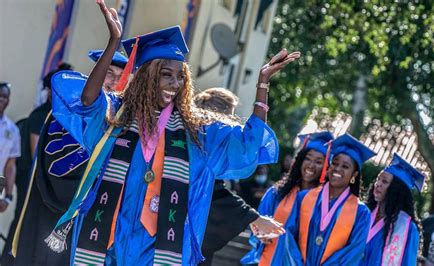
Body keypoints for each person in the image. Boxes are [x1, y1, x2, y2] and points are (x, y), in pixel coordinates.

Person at [35, 1, 300, 265]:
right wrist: (113, 44)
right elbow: (87, 101)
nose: (175, 84)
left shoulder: (196, 132)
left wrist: (262, 85)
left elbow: (247, 142)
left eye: (180, 76)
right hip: (108, 238)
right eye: (166, 75)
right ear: (148, 77)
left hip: (158, 246)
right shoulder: (117, 118)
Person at [6, 52, 125, 266]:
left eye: (120, 76)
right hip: (54, 200)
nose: (115, 81)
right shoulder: (68, 112)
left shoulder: (119, 122)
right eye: (108, 73)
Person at [194, 87, 284, 265]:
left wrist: (251, 218)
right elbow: (212, 194)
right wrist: (252, 217)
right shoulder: (201, 145)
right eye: (230, 116)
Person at [276, 133, 375, 265]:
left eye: (345, 166)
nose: (338, 169)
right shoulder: (304, 198)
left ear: (354, 174)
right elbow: (289, 237)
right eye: (335, 163)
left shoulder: (361, 213)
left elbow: (353, 253)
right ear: (328, 167)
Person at [241, 131, 334, 265]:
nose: (311, 165)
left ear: (326, 168)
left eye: (319, 162)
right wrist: (260, 234)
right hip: (269, 259)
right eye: (308, 158)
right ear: (300, 160)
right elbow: (257, 225)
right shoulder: (277, 193)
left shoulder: (324, 204)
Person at [360, 153, 424, 265]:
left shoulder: (407, 229)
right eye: (378, 179)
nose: (377, 184)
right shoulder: (364, 213)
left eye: (384, 182)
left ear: (396, 190)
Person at [0, 82, 20, 261]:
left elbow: (10, 165)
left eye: (4, 96)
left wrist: (8, 195)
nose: (1, 99)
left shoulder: (12, 130)